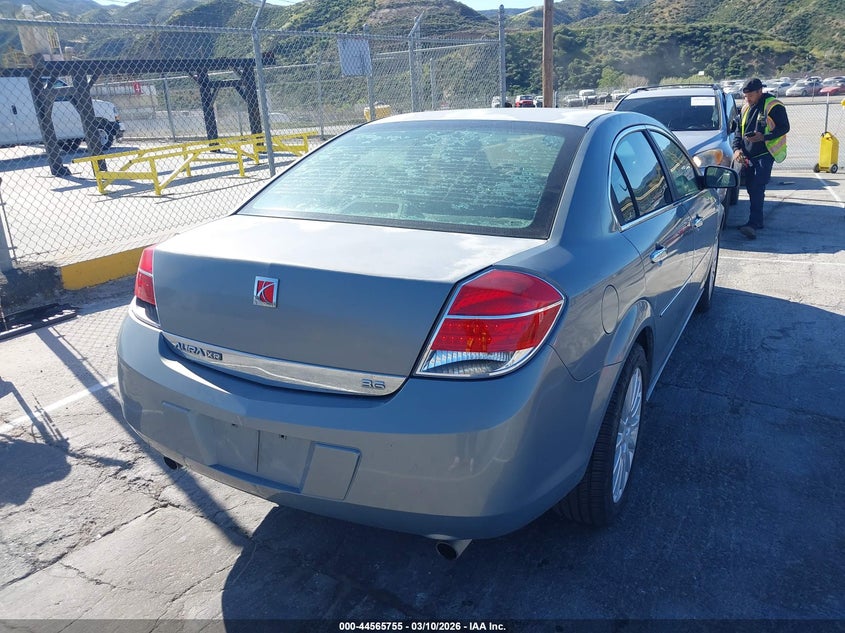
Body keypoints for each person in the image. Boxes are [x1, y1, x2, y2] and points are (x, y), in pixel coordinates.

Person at [732, 77, 789, 239]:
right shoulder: (745, 108)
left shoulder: (773, 106)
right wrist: (736, 149)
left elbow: (785, 127)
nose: (747, 98)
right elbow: (738, 132)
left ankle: (753, 223)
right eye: (745, 96)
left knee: (757, 186)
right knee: (751, 187)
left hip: (766, 153)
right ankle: (756, 221)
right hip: (748, 155)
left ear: (759, 92)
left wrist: (763, 137)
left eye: (750, 95)